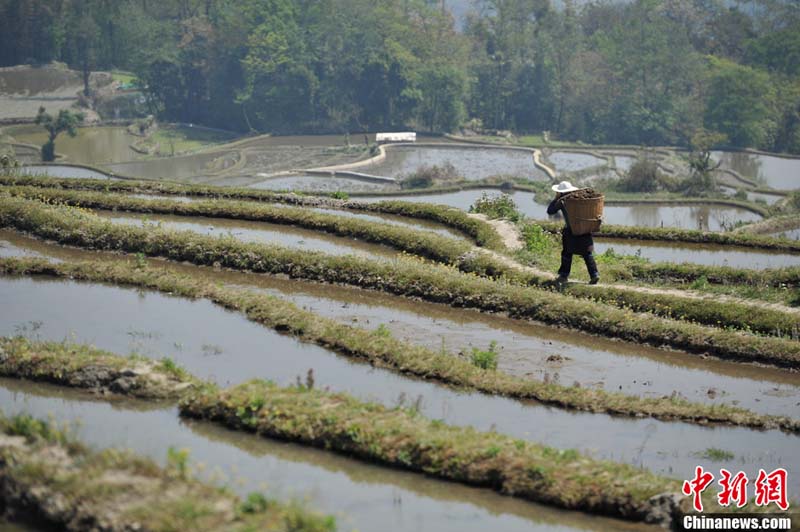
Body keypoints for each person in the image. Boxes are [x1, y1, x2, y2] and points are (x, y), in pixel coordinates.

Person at [547, 181, 599, 284]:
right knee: (587, 254)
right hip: (585, 230)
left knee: (567, 253)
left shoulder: (563, 201)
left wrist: (556, 198)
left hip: (571, 231)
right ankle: (594, 274)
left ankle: (563, 275)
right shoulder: (581, 199)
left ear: (561, 192)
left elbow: (550, 211)